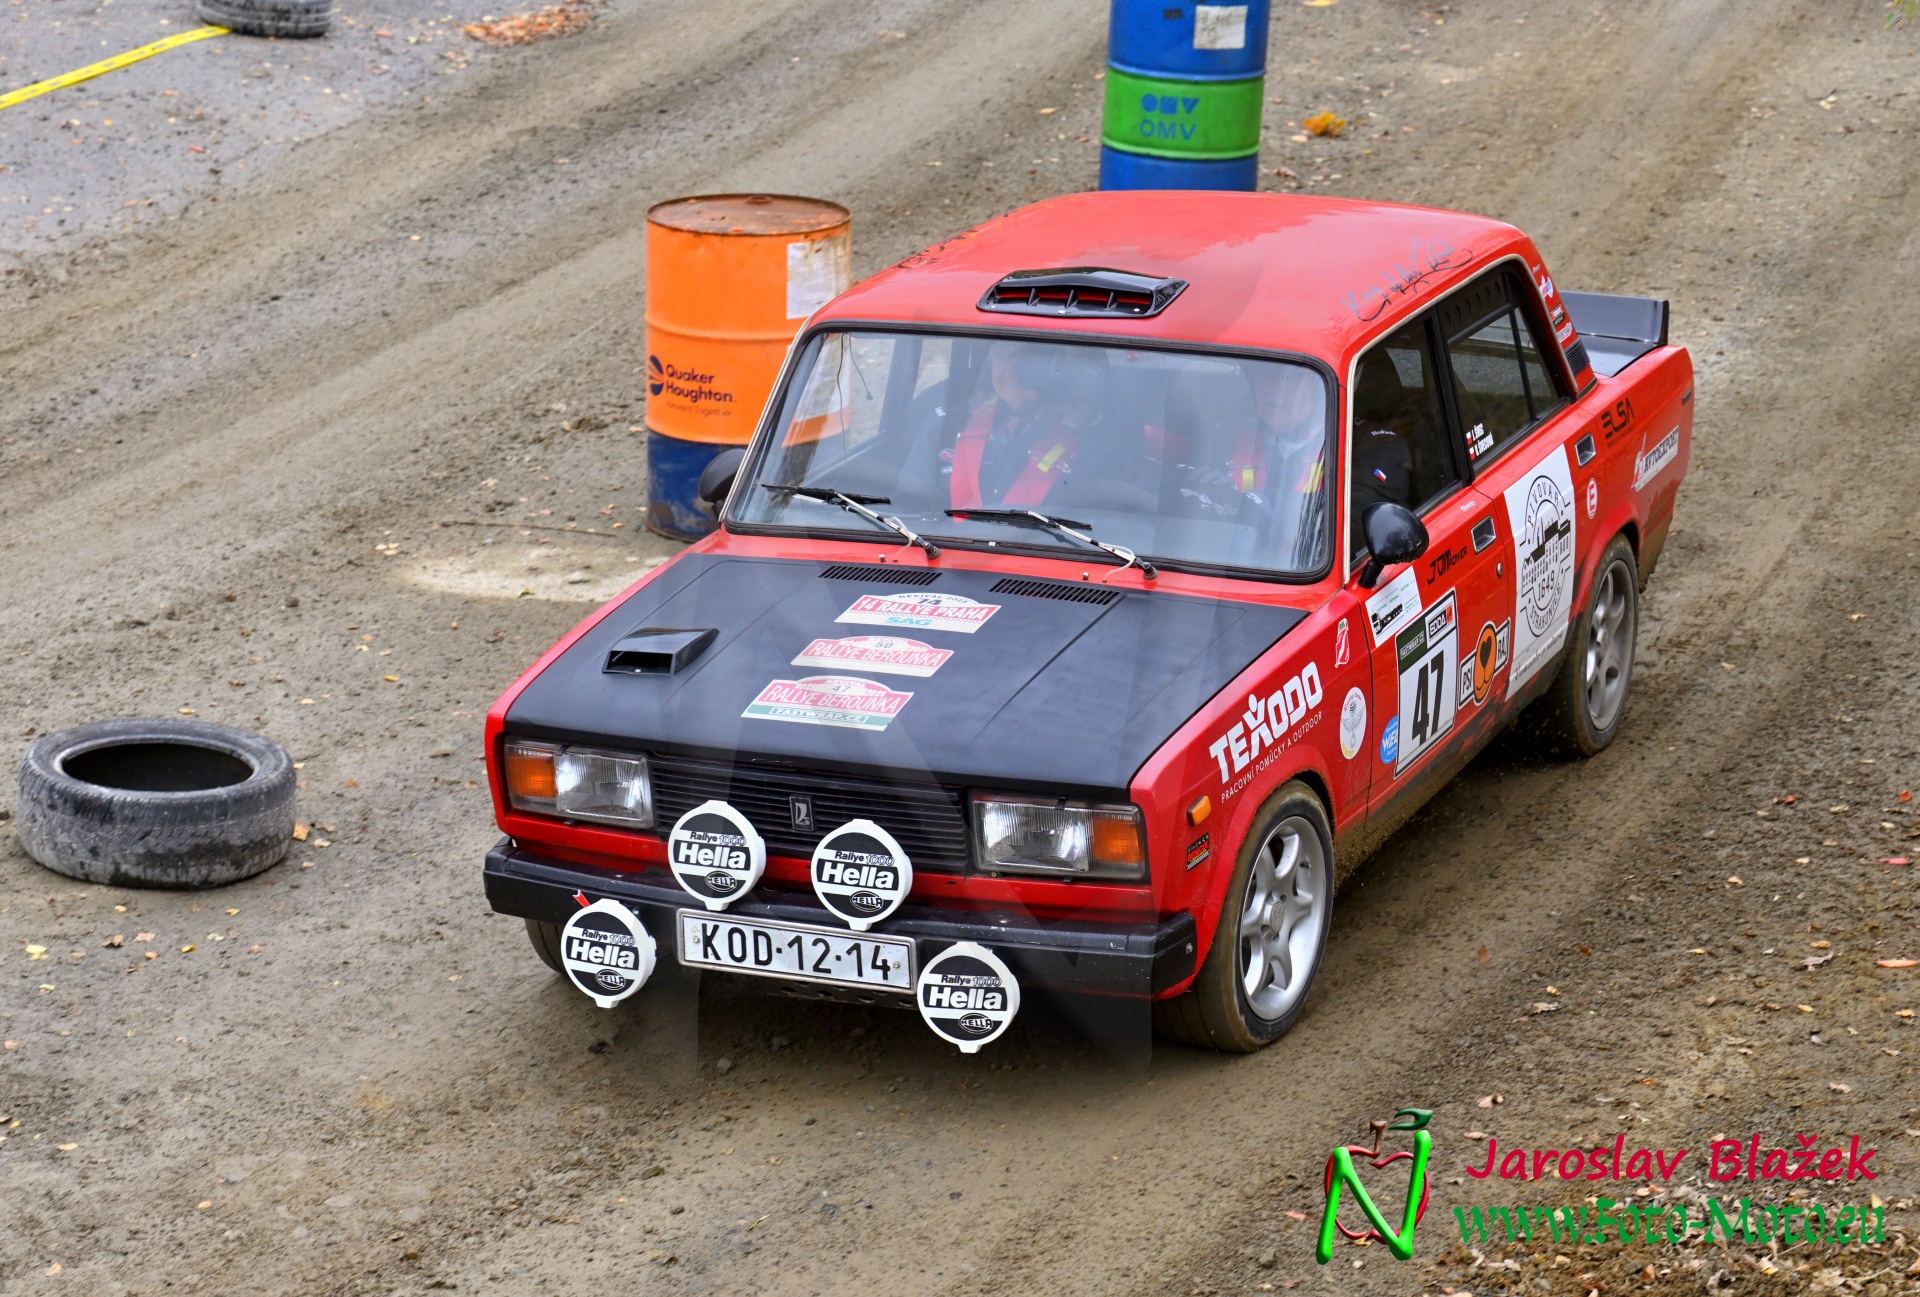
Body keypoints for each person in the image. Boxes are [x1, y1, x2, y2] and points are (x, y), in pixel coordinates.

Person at [946, 343, 1099, 509]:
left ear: (1055, 369)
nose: (1011, 373)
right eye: (1003, 358)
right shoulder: (954, 421)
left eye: (1026, 361)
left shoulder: (1087, 438)